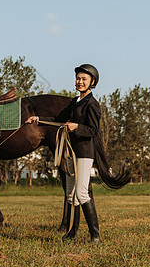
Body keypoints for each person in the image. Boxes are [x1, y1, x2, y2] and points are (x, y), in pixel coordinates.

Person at [25, 64, 102, 244]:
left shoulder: (92, 104)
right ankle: (71, 233)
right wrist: (38, 119)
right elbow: (58, 119)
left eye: (84, 79)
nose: (80, 82)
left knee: (82, 194)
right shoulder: (75, 102)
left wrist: (77, 127)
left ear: (92, 82)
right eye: (78, 78)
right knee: (70, 194)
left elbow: (93, 131)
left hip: (83, 153)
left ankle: (96, 236)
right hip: (70, 152)